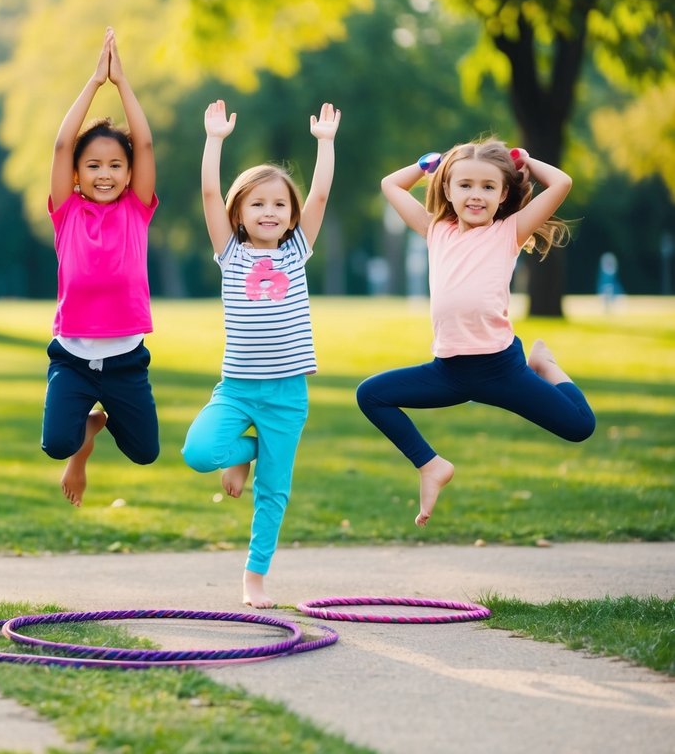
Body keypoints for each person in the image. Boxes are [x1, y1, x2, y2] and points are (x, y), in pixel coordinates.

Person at [357, 140, 595, 527]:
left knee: (580, 426)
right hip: (447, 373)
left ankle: (545, 365)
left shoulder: (509, 232)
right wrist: (425, 165)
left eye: (488, 187)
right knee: (371, 395)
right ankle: (431, 466)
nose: (475, 195)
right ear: (447, 190)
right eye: (464, 185)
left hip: (502, 371)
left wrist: (527, 162)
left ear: (504, 195)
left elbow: (562, 183)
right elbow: (390, 185)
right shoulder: (436, 230)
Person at [181, 99, 341, 608]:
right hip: (236, 390)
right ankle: (244, 456)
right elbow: (208, 190)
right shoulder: (230, 253)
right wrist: (214, 141)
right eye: (257, 204)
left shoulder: (297, 252)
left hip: (287, 396)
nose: (269, 212)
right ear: (239, 215)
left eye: (278, 205)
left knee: (274, 491)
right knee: (199, 453)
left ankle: (255, 575)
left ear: (290, 215)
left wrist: (325, 143)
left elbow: (319, 194)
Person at [43, 27, 159, 507]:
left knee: (145, 452)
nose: (105, 174)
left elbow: (146, 145)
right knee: (56, 444)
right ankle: (82, 442)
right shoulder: (66, 210)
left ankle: (99, 420)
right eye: (93, 165)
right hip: (72, 356)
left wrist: (122, 83)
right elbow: (60, 145)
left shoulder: (138, 209)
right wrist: (94, 83)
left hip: (126, 359)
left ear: (129, 173)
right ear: (76, 174)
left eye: (115, 165)